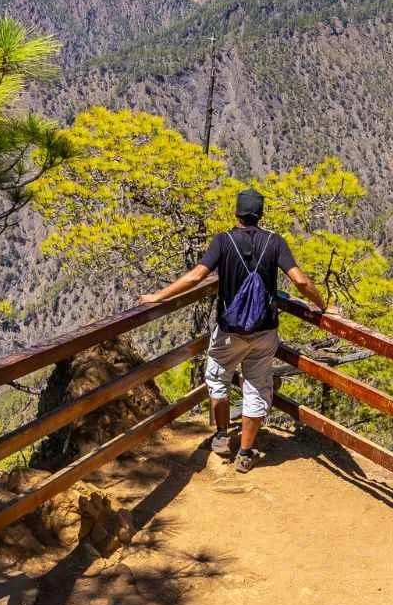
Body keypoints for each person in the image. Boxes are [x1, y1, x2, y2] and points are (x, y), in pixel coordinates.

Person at [139, 188, 334, 473]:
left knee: (218, 376)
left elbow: (197, 276)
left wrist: (160, 296)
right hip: (263, 332)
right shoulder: (275, 242)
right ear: (261, 214)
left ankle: (221, 435)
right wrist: (324, 306)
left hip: (229, 331)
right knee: (256, 387)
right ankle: (245, 452)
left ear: (236, 213)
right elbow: (301, 282)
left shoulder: (223, 241)